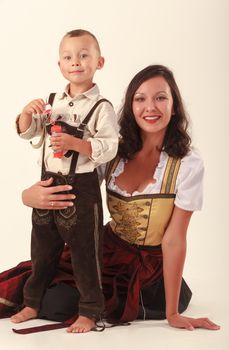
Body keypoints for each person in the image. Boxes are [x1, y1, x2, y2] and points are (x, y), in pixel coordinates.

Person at [0, 65, 220, 332]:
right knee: (36, 277)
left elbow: (174, 240)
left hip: (147, 267)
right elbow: (74, 186)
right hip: (105, 248)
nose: (150, 107)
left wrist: (172, 313)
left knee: (58, 302)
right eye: (140, 99)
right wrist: (29, 196)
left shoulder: (187, 162)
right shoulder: (114, 150)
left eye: (161, 97)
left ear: (174, 106)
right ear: (131, 106)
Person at [11, 29, 119, 333]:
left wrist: (77, 144)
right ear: (59, 65)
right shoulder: (50, 102)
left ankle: (90, 310)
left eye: (85, 55)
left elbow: (109, 147)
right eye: (68, 57)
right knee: (42, 249)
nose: (76, 62)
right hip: (47, 185)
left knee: (86, 253)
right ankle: (32, 302)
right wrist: (24, 114)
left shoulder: (102, 107)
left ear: (99, 62)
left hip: (81, 189)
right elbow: (29, 133)